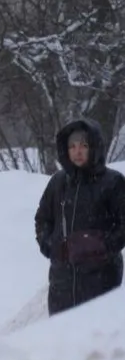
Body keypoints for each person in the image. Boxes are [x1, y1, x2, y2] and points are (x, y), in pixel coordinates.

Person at [34, 117, 125, 315]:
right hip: (62, 285)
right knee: (62, 342)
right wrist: (49, 245)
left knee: (96, 343)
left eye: (84, 145)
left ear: (94, 147)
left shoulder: (113, 182)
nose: (77, 151)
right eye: (72, 146)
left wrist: (103, 247)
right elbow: (43, 218)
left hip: (101, 283)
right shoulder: (58, 182)